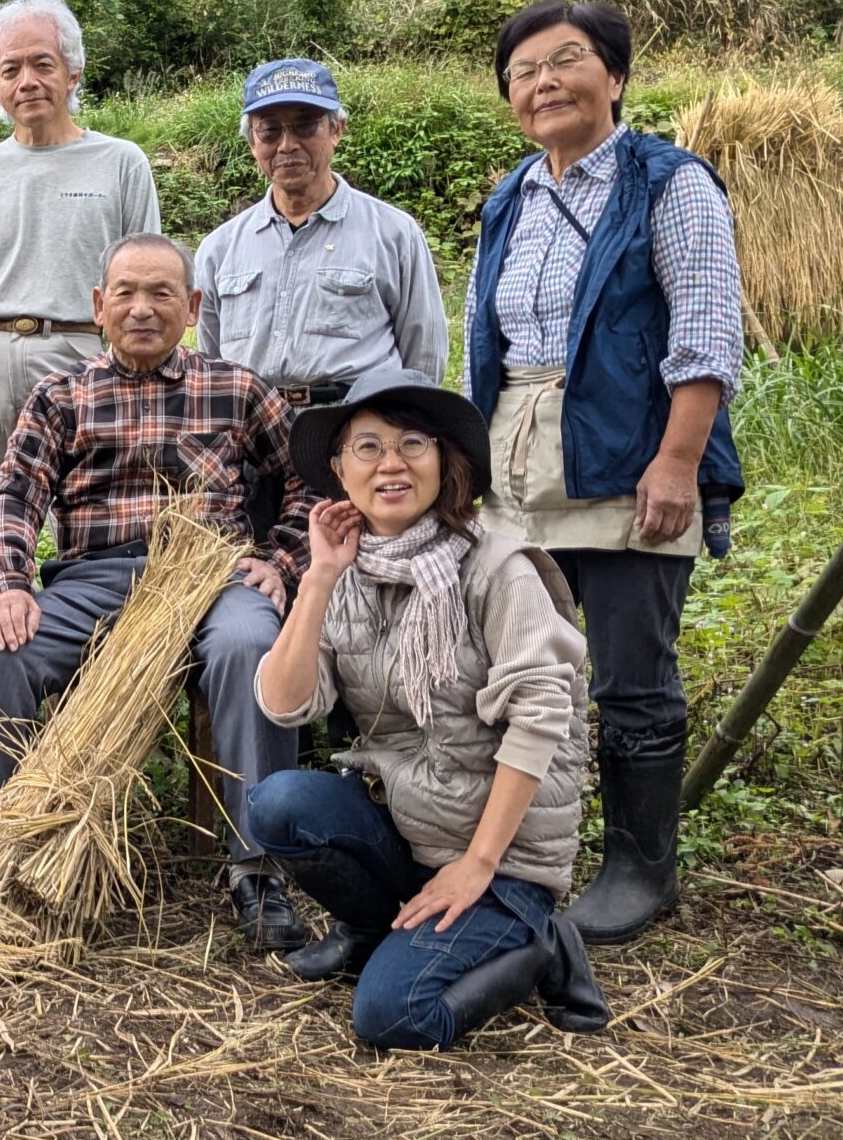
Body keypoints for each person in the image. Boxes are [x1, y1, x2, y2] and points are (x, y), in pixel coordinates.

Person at [467, 0, 744, 946]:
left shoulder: (668, 184)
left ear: (616, 77)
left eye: (566, 61)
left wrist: (678, 463)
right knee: (524, 660)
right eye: (522, 72)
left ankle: (638, 867)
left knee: (630, 673)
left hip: (630, 451)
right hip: (519, 450)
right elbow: (489, 340)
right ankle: (527, 849)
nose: (543, 83)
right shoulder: (511, 195)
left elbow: (706, 333)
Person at [0, 234, 310, 949]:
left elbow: (311, 482)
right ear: (98, 305)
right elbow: (16, 495)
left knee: (251, 646)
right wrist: (9, 585)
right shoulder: (61, 396)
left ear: (193, 307)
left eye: (162, 295)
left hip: (214, 576)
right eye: (126, 293)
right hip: (97, 577)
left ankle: (258, 867)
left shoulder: (239, 390)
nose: (142, 310)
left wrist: (283, 559)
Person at [247, 368, 611, 1048]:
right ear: (339, 470)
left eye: (413, 444)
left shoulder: (495, 568)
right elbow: (285, 703)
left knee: (392, 1017)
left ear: (445, 461)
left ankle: (541, 947)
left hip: (500, 854)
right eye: (369, 447)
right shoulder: (347, 574)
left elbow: (540, 717)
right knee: (279, 805)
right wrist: (319, 575)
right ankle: (375, 928)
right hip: (410, 830)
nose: (391, 463)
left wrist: (476, 866)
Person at [0, 0, 161, 587]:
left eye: (42, 64)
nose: (27, 80)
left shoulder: (121, 162)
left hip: (86, 356)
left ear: (73, 71)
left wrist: (148, 381)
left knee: (93, 513)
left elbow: (150, 287)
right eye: (11, 70)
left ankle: (86, 653)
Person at [196, 59, 447, 534]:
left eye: (305, 126)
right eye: (269, 130)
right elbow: (211, 365)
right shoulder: (219, 248)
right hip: (253, 452)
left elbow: (423, 359)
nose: (286, 144)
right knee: (260, 585)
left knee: (357, 586)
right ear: (252, 142)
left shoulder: (392, 233)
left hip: (352, 445)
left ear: (337, 129)